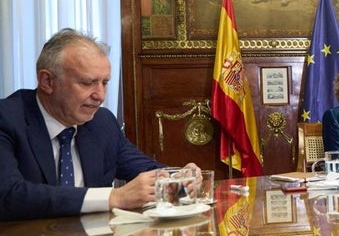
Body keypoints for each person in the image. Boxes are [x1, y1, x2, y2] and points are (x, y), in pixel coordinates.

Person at [0, 28, 198, 220]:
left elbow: (147, 170)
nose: (100, 96)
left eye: (104, 83)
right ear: (47, 82)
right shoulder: (7, 118)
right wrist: (113, 197)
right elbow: (9, 195)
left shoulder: (101, 122)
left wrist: (179, 179)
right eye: (87, 83)